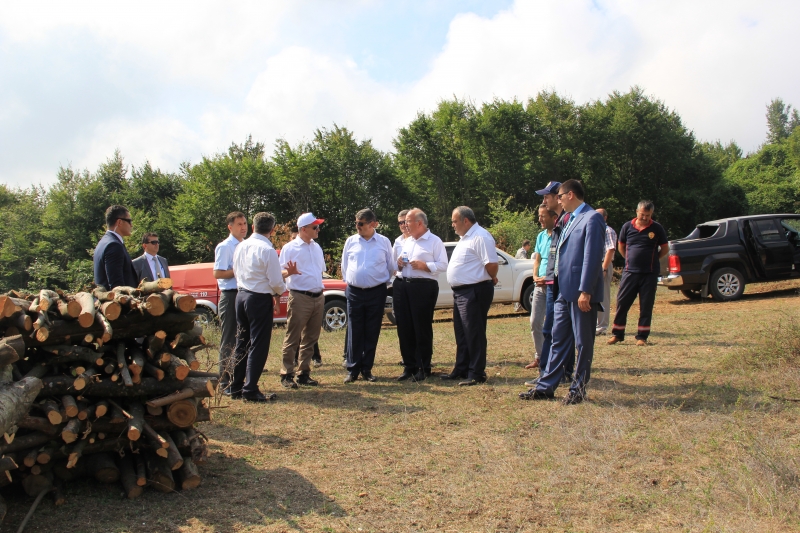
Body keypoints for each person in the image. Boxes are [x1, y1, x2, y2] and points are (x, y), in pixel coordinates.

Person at [520, 179, 605, 404]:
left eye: (559, 196)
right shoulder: (566, 219)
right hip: (561, 292)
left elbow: (592, 256)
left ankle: (578, 389)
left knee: (583, 343)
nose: (557, 200)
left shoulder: (592, 218)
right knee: (558, 340)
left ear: (570, 195)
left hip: (580, 293)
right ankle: (546, 387)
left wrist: (586, 290)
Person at [229, 212, 286, 402]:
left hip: (241, 295)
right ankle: (250, 388)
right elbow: (276, 280)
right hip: (259, 297)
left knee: (242, 342)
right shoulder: (267, 249)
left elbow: (236, 271)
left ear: (253, 227)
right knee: (258, 344)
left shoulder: (241, 246)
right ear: (272, 230)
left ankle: (236, 386)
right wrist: (279, 291)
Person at [442, 206, 499, 386]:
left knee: (474, 332)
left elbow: (492, 264)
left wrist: (490, 277)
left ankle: (476, 373)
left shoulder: (480, 236)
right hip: (461, 292)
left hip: (474, 290)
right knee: (462, 333)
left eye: (454, 221)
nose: (452, 225)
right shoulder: (465, 238)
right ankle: (462, 368)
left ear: (465, 220)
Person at [525, 181, 574, 387]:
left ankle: (555, 373)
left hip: (561, 284)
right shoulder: (560, 223)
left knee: (556, 330)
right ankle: (554, 372)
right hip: (551, 283)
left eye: (547, 196)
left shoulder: (569, 221)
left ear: (559, 196)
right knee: (551, 329)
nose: (544, 200)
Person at [394, 208, 448, 382]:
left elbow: (443, 265)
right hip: (404, 285)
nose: (405, 225)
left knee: (421, 327)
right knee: (404, 327)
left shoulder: (434, 241)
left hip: (424, 287)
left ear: (419, 223)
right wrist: (400, 263)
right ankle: (409, 366)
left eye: (408, 221)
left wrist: (426, 266)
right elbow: (400, 263)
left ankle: (423, 366)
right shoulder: (408, 241)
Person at [341, 208, 394, 383]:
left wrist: (382, 285)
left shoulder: (384, 242)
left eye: (361, 223)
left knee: (372, 330)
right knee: (354, 330)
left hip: (376, 292)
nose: (357, 226)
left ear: (373, 224)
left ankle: (367, 368)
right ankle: (353, 369)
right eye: (356, 223)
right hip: (355, 291)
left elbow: (390, 266)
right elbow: (345, 266)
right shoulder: (351, 241)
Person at [608, 201, 669, 347]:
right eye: (642, 214)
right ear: (636, 212)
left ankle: (642, 336)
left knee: (646, 305)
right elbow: (621, 246)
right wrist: (629, 259)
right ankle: (617, 334)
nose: (644, 217)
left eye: (648, 215)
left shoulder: (657, 228)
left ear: (651, 214)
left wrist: (653, 258)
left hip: (649, 273)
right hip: (630, 272)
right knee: (622, 302)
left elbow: (665, 249)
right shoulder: (627, 227)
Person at [279, 212, 326, 388]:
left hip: (317, 297)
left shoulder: (316, 247)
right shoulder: (290, 248)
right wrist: (288, 273)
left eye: (318, 226)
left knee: (311, 338)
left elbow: (319, 272)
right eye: (315, 227)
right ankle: (286, 374)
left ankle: (304, 373)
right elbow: (279, 273)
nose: (318, 230)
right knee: (293, 336)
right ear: (303, 229)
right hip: (299, 297)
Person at [213, 212, 248, 392]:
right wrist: (238, 269)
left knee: (243, 337)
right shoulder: (225, 247)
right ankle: (224, 381)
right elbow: (218, 273)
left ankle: (238, 378)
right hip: (230, 294)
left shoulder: (246, 245)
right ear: (230, 227)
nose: (243, 227)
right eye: (239, 224)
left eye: (244, 223)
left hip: (244, 293)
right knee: (229, 339)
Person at [525, 206, 557, 374]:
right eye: (539, 216)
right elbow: (537, 259)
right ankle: (539, 356)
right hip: (539, 285)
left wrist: (549, 277)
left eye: (543, 216)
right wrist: (535, 275)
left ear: (553, 216)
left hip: (553, 284)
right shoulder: (540, 236)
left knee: (552, 325)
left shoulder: (559, 235)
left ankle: (553, 360)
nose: (540, 219)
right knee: (535, 321)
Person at [93, 205, 138, 290]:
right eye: (129, 221)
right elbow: (117, 286)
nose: (131, 225)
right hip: (116, 302)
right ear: (119, 222)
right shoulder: (114, 245)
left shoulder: (103, 242)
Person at [392, 209, 412, 367]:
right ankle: (407, 357)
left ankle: (420, 357)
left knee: (417, 322)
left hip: (417, 284)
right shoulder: (397, 241)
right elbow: (392, 265)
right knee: (402, 322)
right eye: (400, 222)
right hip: (400, 283)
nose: (403, 225)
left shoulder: (420, 239)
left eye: (406, 221)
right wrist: (397, 265)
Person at [595, 209, 617, 335]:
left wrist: (604, 268)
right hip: (594, 265)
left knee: (603, 296)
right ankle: (595, 324)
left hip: (603, 264)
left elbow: (610, 249)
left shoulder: (608, 231)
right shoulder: (595, 231)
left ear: (605, 218)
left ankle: (602, 326)